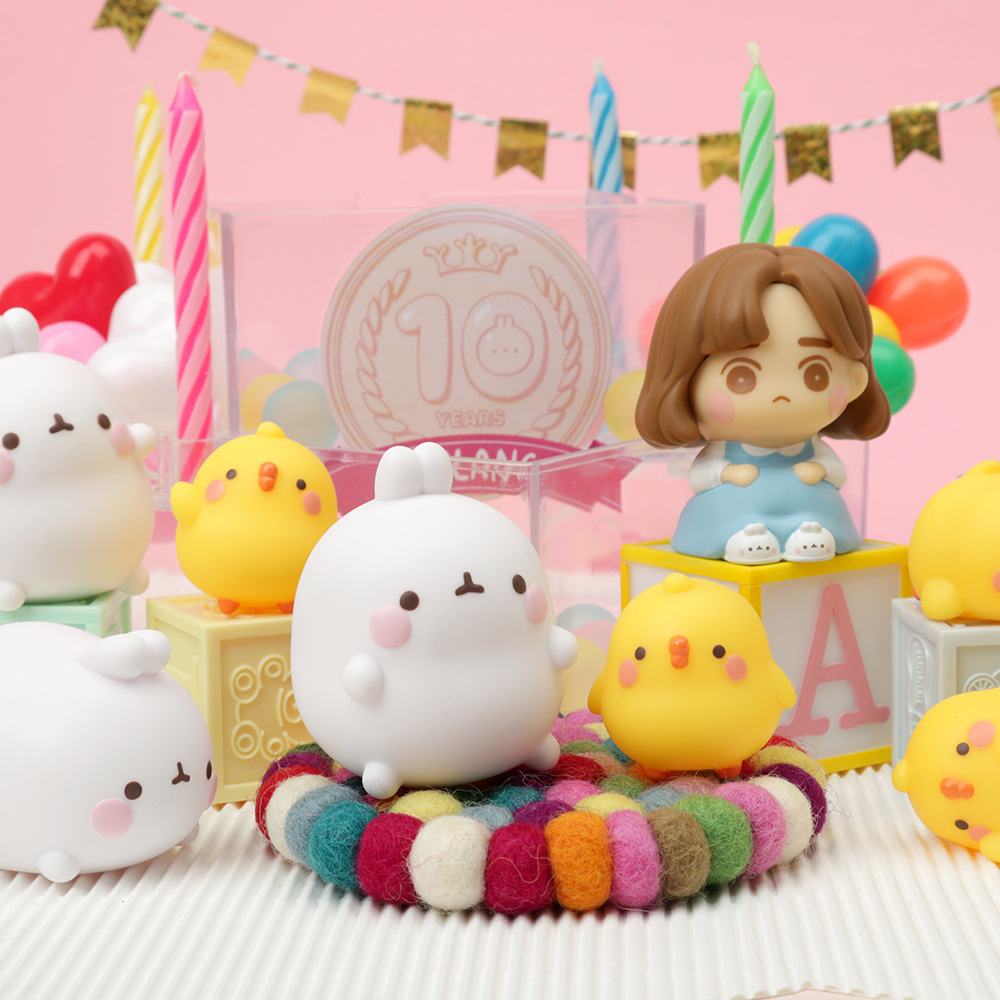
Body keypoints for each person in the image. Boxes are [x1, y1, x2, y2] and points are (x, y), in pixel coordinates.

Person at [635, 243, 891, 564]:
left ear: (855, 381)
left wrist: (819, 469)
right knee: (726, 519)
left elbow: (836, 472)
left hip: (812, 506)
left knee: (820, 518)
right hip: (729, 510)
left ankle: (810, 533)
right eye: (741, 376)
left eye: (815, 374)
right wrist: (728, 473)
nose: (780, 394)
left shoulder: (813, 448)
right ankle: (740, 537)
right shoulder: (722, 453)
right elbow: (701, 475)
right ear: (685, 379)